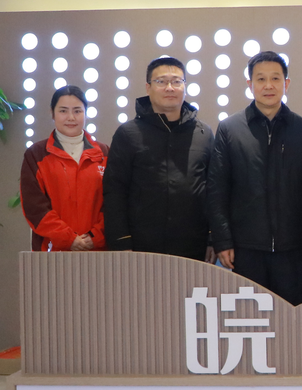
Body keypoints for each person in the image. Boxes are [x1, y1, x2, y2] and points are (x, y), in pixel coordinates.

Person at [208, 51, 302, 305]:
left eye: (275, 78)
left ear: (286, 83)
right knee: (248, 318)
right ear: (250, 84)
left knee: (293, 316)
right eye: (260, 79)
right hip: (245, 249)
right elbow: (217, 190)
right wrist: (222, 241)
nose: (268, 85)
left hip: (292, 250)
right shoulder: (230, 129)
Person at [103, 56, 215, 261]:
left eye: (176, 81)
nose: (169, 88)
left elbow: (214, 190)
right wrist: (121, 242)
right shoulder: (128, 134)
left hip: (193, 246)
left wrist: (212, 238)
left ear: (185, 86)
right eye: (161, 81)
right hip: (141, 247)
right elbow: (114, 191)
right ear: (148, 88)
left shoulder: (204, 134)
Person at [20, 85, 109, 251]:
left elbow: (115, 203)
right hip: (52, 251)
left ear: (86, 113)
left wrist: (95, 236)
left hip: (98, 251)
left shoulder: (104, 153)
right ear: (52, 113)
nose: (71, 117)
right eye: (63, 111)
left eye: (77, 111)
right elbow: (34, 207)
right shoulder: (36, 155)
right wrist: (68, 238)